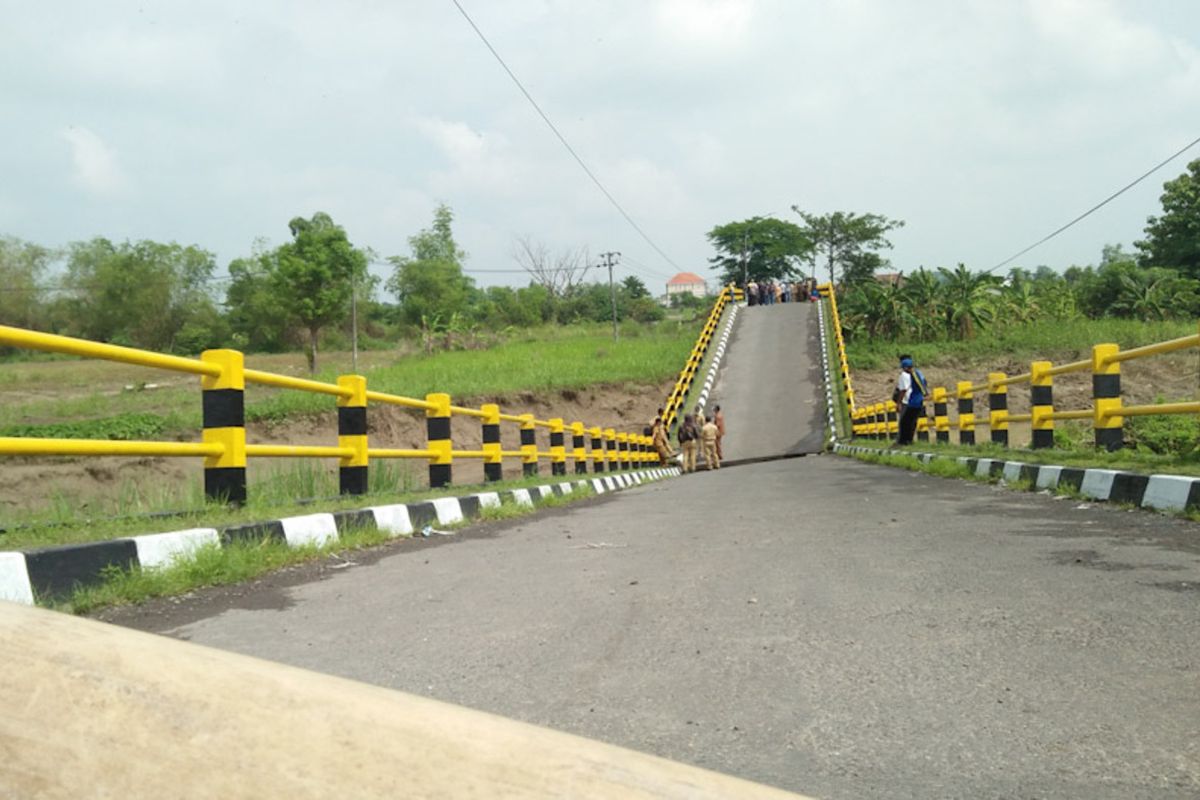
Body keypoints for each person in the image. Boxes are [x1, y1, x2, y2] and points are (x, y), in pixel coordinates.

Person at [892, 354, 929, 446]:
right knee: (911, 422)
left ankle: (903, 442)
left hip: (913, 402)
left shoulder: (911, 374)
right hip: (917, 401)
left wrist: (899, 403)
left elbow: (904, 390)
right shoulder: (919, 373)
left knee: (905, 423)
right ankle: (908, 441)